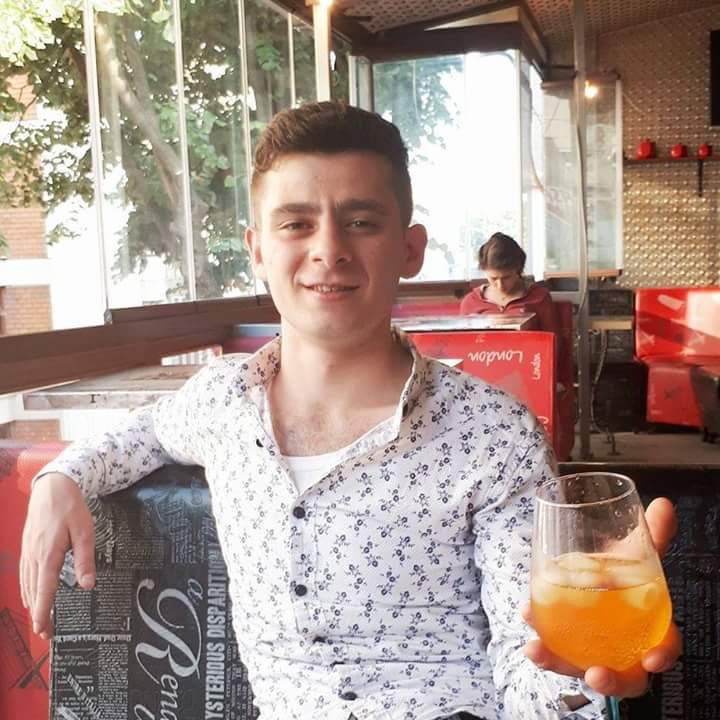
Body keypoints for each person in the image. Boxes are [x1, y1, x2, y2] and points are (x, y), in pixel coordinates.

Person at [20, 102, 679, 720]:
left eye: (361, 222)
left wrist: (580, 674)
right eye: (296, 223)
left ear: (410, 249)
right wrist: (59, 478)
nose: (328, 249)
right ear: (257, 249)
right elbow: (144, 434)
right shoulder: (222, 401)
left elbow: (525, 656)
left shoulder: (493, 434)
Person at [460, 232, 558, 336]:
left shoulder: (539, 297)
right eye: (493, 278)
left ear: (518, 270)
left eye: (506, 277)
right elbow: (462, 341)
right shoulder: (471, 301)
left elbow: (553, 340)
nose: (500, 285)